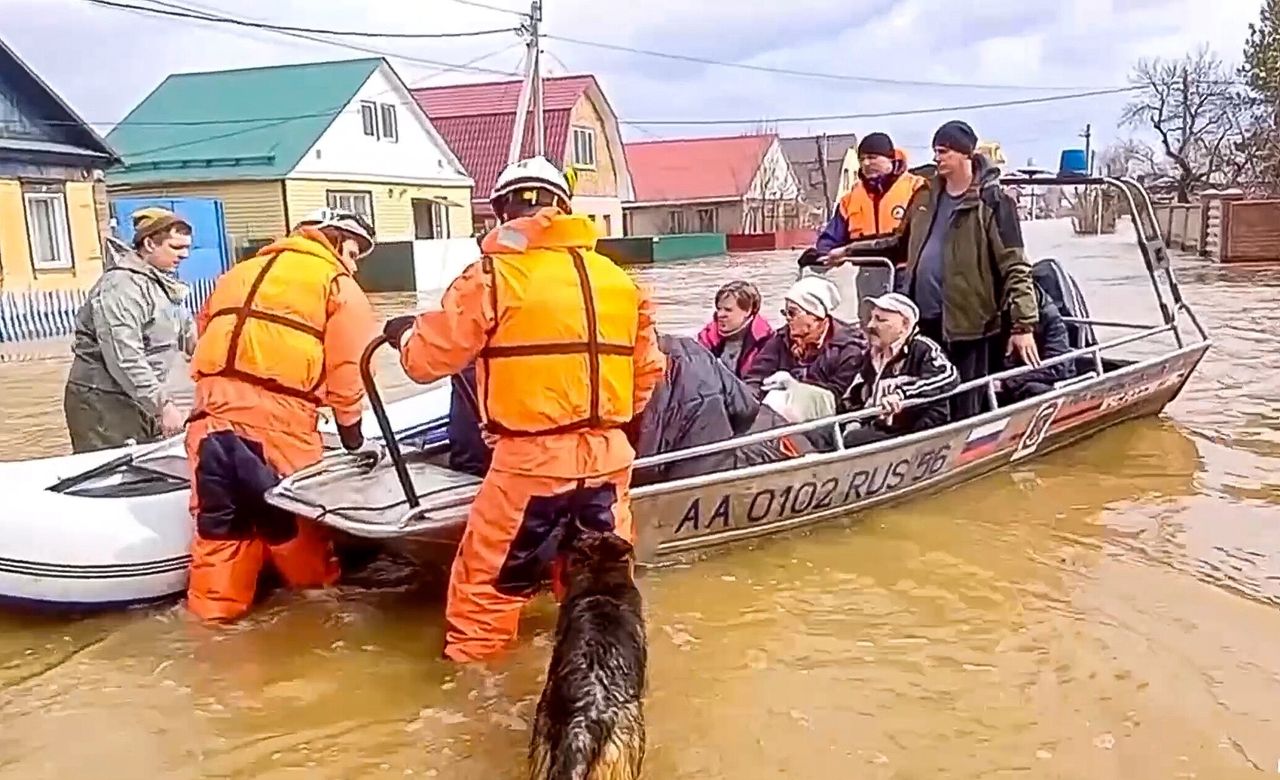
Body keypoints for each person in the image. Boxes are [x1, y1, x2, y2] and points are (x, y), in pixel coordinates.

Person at [381, 156, 666, 664]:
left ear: (499, 212)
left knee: (484, 597)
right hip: (607, 460)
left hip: (530, 464)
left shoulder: (493, 275)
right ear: (565, 207)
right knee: (599, 592)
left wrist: (402, 332)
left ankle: (479, 707)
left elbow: (428, 361)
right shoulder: (620, 282)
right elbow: (646, 375)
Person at [183, 208, 381, 622]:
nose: (355, 262)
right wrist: (352, 437)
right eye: (356, 252)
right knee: (299, 533)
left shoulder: (237, 273)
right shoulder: (338, 286)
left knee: (219, 533)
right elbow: (351, 370)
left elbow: (206, 334)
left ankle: (211, 632)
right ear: (340, 242)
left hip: (207, 422)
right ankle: (316, 621)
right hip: (280, 427)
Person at [898, 120, 1039, 419]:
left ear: (965, 154)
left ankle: (972, 447)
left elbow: (1015, 265)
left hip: (971, 323)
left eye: (944, 151)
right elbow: (899, 243)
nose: (937, 158)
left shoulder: (994, 202)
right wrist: (845, 251)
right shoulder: (925, 196)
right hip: (924, 321)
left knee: (966, 404)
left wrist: (1023, 326)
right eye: (935, 151)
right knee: (927, 400)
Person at [63, 207, 196, 453]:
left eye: (188, 247)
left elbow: (191, 338)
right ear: (149, 243)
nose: (185, 255)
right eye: (176, 247)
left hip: (140, 397)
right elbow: (124, 356)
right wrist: (163, 406)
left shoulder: (164, 286)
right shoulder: (121, 287)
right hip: (103, 400)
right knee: (111, 476)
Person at [631, 334, 805, 485]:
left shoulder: (620, 373)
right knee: (770, 425)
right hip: (716, 467)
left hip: (661, 476)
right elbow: (746, 409)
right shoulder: (691, 348)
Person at [841, 293, 959, 447]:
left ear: (905, 326)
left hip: (913, 433)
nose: (870, 325)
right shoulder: (872, 354)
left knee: (853, 440)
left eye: (880, 320)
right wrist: (853, 422)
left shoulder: (922, 348)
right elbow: (854, 396)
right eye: (872, 318)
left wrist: (901, 394)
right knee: (822, 431)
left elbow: (949, 376)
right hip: (877, 426)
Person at [744, 275, 866, 405]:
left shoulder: (849, 348)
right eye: (785, 312)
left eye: (792, 313)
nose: (787, 318)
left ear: (814, 315)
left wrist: (796, 389)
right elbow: (755, 376)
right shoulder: (782, 338)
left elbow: (835, 396)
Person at [814, 132, 926, 255]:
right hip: (865, 267)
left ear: (891, 159)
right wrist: (820, 255)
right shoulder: (849, 200)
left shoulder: (917, 188)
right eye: (861, 159)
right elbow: (832, 237)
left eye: (872, 157)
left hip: (907, 268)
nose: (866, 163)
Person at [997, 285, 1075, 403]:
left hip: (1042, 381)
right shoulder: (993, 317)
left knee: (1033, 390)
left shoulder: (1047, 315)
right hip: (1008, 379)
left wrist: (1007, 383)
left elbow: (1059, 367)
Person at [696, 280, 774, 379]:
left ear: (748, 311)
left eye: (728, 310)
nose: (720, 315)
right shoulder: (707, 336)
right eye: (719, 309)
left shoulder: (766, 342)